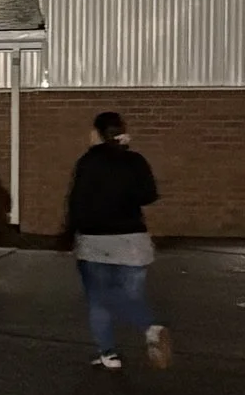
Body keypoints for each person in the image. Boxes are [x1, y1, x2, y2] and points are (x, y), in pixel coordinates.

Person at [66, 109, 168, 371]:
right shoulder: (135, 160)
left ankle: (110, 352)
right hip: (134, 240)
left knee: (99, 300)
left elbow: (77, 201)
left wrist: (68, 233)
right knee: (129, 295)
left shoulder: (88, 162)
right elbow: (149, 195)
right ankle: (149, 328)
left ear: (97, 134)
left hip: (95, 240)